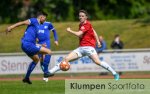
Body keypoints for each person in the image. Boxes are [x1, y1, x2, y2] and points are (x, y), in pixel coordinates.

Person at [49, 10, 120, 81]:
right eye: (80, 16)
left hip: (89, 48)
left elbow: (79, 34)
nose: (80, 17)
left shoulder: (87, 24)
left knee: (98, 62)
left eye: (82, 16)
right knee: (66, 59)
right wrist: (98, 41)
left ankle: (115, 73)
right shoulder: (81, 25)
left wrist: (70, 30)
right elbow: (93, 31)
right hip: (81, 48)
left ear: (86, 17)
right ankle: (50, 72)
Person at [6, 12, 53, 84]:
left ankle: (26, 78)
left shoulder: (36, 27)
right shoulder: (34, 20)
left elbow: (34, 41)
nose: (45, 21)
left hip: (27, 45)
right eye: (44, 19)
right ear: (41, 17)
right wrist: (11, 27)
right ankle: (46, 72)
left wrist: (40, 45)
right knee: (49, 52)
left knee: (36, 59)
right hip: (27, 44)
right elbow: (22, 23)